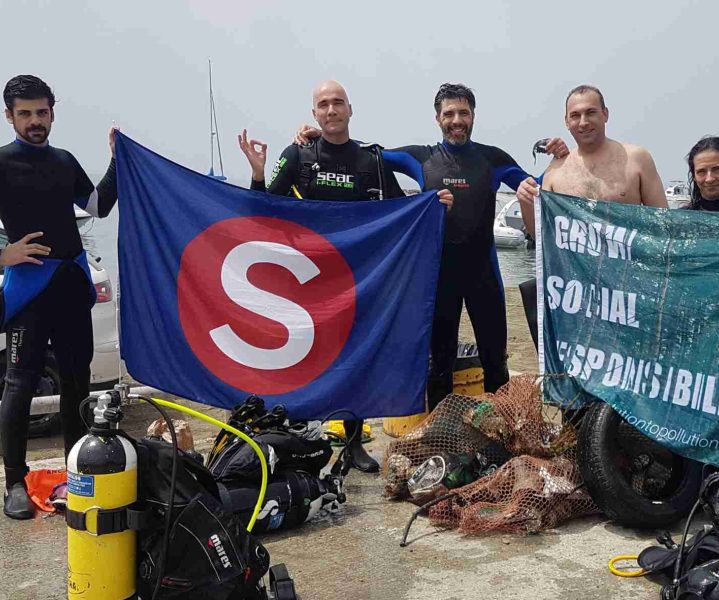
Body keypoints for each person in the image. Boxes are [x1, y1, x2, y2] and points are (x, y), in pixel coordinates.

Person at [293, 83, 566, 410]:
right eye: (449, 113)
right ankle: (441, 435)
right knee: (440, 364)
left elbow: (532, 186)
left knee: (496, 363)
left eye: (463, 113)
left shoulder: (491, 159)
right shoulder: (419, 158)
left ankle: (503, 432)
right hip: (438, 278)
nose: (456, 120)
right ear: (437, 118)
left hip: (485, 277)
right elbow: (362, 154)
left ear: (473, 116)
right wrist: (318, 138)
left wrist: (558, 161)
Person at [0, 75, 119, 520]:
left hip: (72, 285)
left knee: (77, 382)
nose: (35, 121)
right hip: (29, 290)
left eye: (42, 112)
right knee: (20, 385)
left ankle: (78, 474)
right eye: (25, 113)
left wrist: (116, 161)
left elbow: (96, 206)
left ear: (53, 111)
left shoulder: (64, 160)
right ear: (10, 115)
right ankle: (14, 481)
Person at [236, 80, 451, 474]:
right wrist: (257, 173)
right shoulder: (298, 155)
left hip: (358, 283)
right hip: (304, 285)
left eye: (338, 103)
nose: (331, 110)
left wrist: (434, 205)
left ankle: (353, 443)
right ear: (314, 113)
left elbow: (404, 212)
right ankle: (298, 442)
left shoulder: (371, 160)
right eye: (323, 104)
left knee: (355, 362)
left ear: (350, 110)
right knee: (300, 361)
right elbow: (260, 211)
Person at [515, 84, 668, 233]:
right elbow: (541, 235)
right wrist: (525, 202)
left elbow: (664, 224)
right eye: (575, 115)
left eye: (590, 112)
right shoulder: (555, 171)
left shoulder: (637, 159)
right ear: (567, 122)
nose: (584, 122)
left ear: (605, 114)